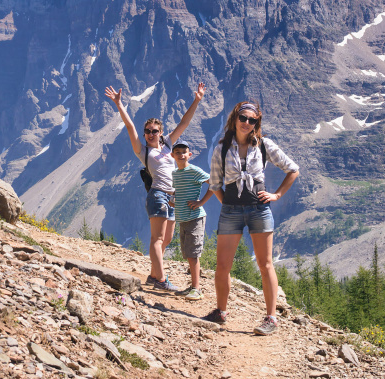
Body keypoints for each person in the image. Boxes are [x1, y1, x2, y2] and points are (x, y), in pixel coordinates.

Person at [202, 101, 299, 336]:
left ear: (257, 123)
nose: (247, 123)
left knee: (265, 265)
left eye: (252, 120)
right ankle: (221, 312)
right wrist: (228, 203)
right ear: (235, 118)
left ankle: (271, 318)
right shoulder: (222, 149)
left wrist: (276, 194)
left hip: (259, 209)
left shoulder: (265, 145)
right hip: (231, 211)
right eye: (243, 118)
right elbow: (215, 183)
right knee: (222, 265)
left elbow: (293, 169)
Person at [105, 82, 206, 291]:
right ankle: (161, 280)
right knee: (157, 239)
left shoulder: (169, 144)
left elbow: (184, 123)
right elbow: (130, 127)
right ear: (144, 135)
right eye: (148, 131)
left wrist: (196, 100)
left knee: (166, 239)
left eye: (155, 131)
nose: (151, 134)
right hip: (157, 196)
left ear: (161, 132)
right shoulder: (143, 151)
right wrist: (119, 104)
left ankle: (153, 275)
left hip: (173, 198)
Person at [171, 139, 213, 301]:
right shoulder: (175, 173)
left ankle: (197, 288)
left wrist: (201, 202)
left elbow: (214, 183)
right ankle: (192, 286)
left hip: (195, 217)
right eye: (178, 153)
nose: (181, 155)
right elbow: (178, 192)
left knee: (193, 253)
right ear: (173, 155)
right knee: (188, 252)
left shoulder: (194, 170)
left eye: (184, 152)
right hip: (182, 217)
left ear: (190, 154)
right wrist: (172, 201)